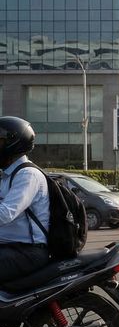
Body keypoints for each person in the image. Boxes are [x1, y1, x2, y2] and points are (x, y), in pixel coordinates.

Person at [0, 117, 51, 284]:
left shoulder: (28, 175)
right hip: (9, 247)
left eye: (0, 141)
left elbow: (5, 213)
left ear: (13, 143)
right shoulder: (7, 175)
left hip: (28, 252)